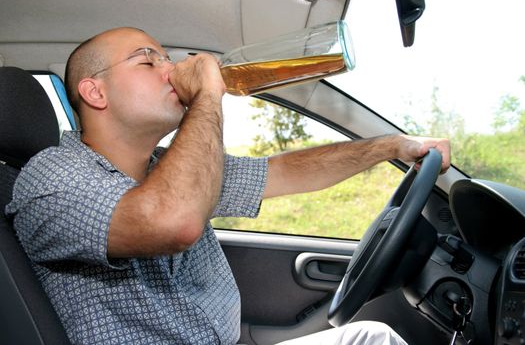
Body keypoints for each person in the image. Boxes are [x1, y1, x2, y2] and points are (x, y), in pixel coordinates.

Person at [5, 27, 450, 345]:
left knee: (374, 336)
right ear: (95, 93)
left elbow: (286, 172)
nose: (171, 69)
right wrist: (208, 96)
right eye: (148, 60)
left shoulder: (168, 166)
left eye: (167, 58)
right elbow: (173, 221)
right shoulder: (51, 176)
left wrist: (391, 146)